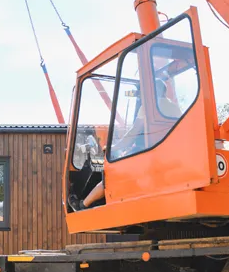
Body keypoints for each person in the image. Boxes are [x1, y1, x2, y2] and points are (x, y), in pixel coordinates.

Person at [68, 78, 181, 211]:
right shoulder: (175, 109)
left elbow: (133, 134)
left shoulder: (149, 107)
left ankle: (82, 205)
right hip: (167, 158)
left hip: (147, 156)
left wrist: (113, 147)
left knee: (109, 176)